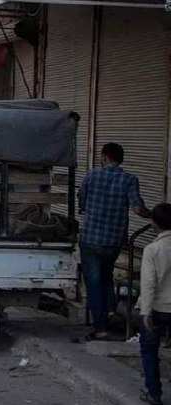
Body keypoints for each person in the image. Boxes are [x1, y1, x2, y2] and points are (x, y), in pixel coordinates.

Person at [76, 143, 151, 343]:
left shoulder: (92, 175)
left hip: (91, 238)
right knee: (106, 274)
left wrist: (86, 209)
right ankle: (110, 311)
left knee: (93, 281)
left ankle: (99, 327)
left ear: (104, 157)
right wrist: (154, 216)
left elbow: (81, 200)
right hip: (114, 240)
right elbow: (137, 209)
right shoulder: (129, 180)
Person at [139, 204, 171, 405]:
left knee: (150, 350)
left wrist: (145, 312)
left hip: (158, 308)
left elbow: (149, 283)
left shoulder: (152, 249)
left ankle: (154, 394)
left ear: (155, 224)